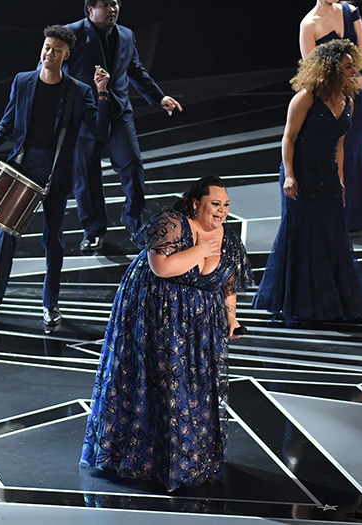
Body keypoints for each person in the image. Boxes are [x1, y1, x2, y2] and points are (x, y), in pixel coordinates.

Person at [80, 176, 252, 491]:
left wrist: (232, 318)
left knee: (191, 386)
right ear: (196, 202)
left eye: (226, 205)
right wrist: (200, 248)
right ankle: (144, 460)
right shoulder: (171, 223)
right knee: (157, 382)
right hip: (155, 313)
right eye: (216, 204)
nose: (222, 211)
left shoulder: (226, 237)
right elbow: (162, 266)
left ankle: (188, 458)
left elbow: (228, 281)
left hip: (196, 326)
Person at [0, 25, 111, 327]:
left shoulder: (78, 91)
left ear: (67, 55)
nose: (49, 53)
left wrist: (101, 93)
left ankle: (50, 305)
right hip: (22, 166)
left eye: (56, 49)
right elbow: (8, 121)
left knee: (54, 240)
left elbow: (100, 131)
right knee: (5, 235)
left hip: (56, 172)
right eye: (47, 47)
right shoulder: (23, 82)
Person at [252, 40, 362, 323]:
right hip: (301, 173)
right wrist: (290, 175)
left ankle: (330, 299)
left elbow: (340, 144)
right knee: (303, 234)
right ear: (331, 69)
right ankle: (300, 303)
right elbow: (289, 138)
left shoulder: (349, 102)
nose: (352, 70)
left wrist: (341, 180)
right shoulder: (307, 97)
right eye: (347, 66)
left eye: (353, 65)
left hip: (327, 175)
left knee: (330, 234)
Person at [65, 0, 183, 253]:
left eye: (116, 3)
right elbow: (53, 71)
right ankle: (93, 231)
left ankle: (135, 225)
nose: (113, 9)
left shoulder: (126, 35)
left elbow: (135, 70)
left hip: (118, 114)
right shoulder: (71, 34)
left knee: (132, 168)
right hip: (84, 118)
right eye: (106, 4)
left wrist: (158, 96)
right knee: (86, 178)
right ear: (90, 10)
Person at [300, 0, 362, 232]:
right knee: (330, 155)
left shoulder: (350, 12)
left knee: (354, 152)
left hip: (353, 96)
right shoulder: (309, 24)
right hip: (328, 100)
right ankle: (331, 217)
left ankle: (355, 218)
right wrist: (349, 81)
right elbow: (314, 71)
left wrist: (352, 80)